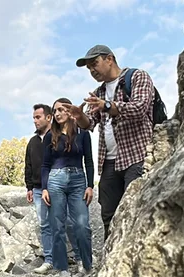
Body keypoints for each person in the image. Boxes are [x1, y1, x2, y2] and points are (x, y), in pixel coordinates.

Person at [59, 45, 155, 241]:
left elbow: (139, 108)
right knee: (108, 215)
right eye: (89, 68)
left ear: (109, 59)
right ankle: (110, 263)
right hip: (109, 162)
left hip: (137, 157)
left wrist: (109, 106)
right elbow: (90, 123)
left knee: (136, 210)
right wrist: (79, 117)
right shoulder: (98, 93)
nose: (92, 71)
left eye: (94, 64)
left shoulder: (137, 77)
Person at [24, 104, 81, 275]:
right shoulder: (32, 142)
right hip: (38, 190)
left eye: (38, 117)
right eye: (33, 117)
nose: (35, 121)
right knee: (45, 225)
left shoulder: (58, 137)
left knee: (69, 222)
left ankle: (80, 258)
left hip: (58, 186)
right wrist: (29, 187)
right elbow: (28, 165)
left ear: (49, 117)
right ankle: (49, 260)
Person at [40, 98, 94, 275]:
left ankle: (86, 264)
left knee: (82, 224)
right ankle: (61, 268)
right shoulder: (50, 136)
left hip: (78, 179)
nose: (57, 114)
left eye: (61, 110)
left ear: (70, 111)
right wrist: (45, 187)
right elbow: (45, 164)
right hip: (55, 180)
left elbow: (89, 161)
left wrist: (90, 185)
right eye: (55, 111)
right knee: (57, 224)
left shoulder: (83, 133)